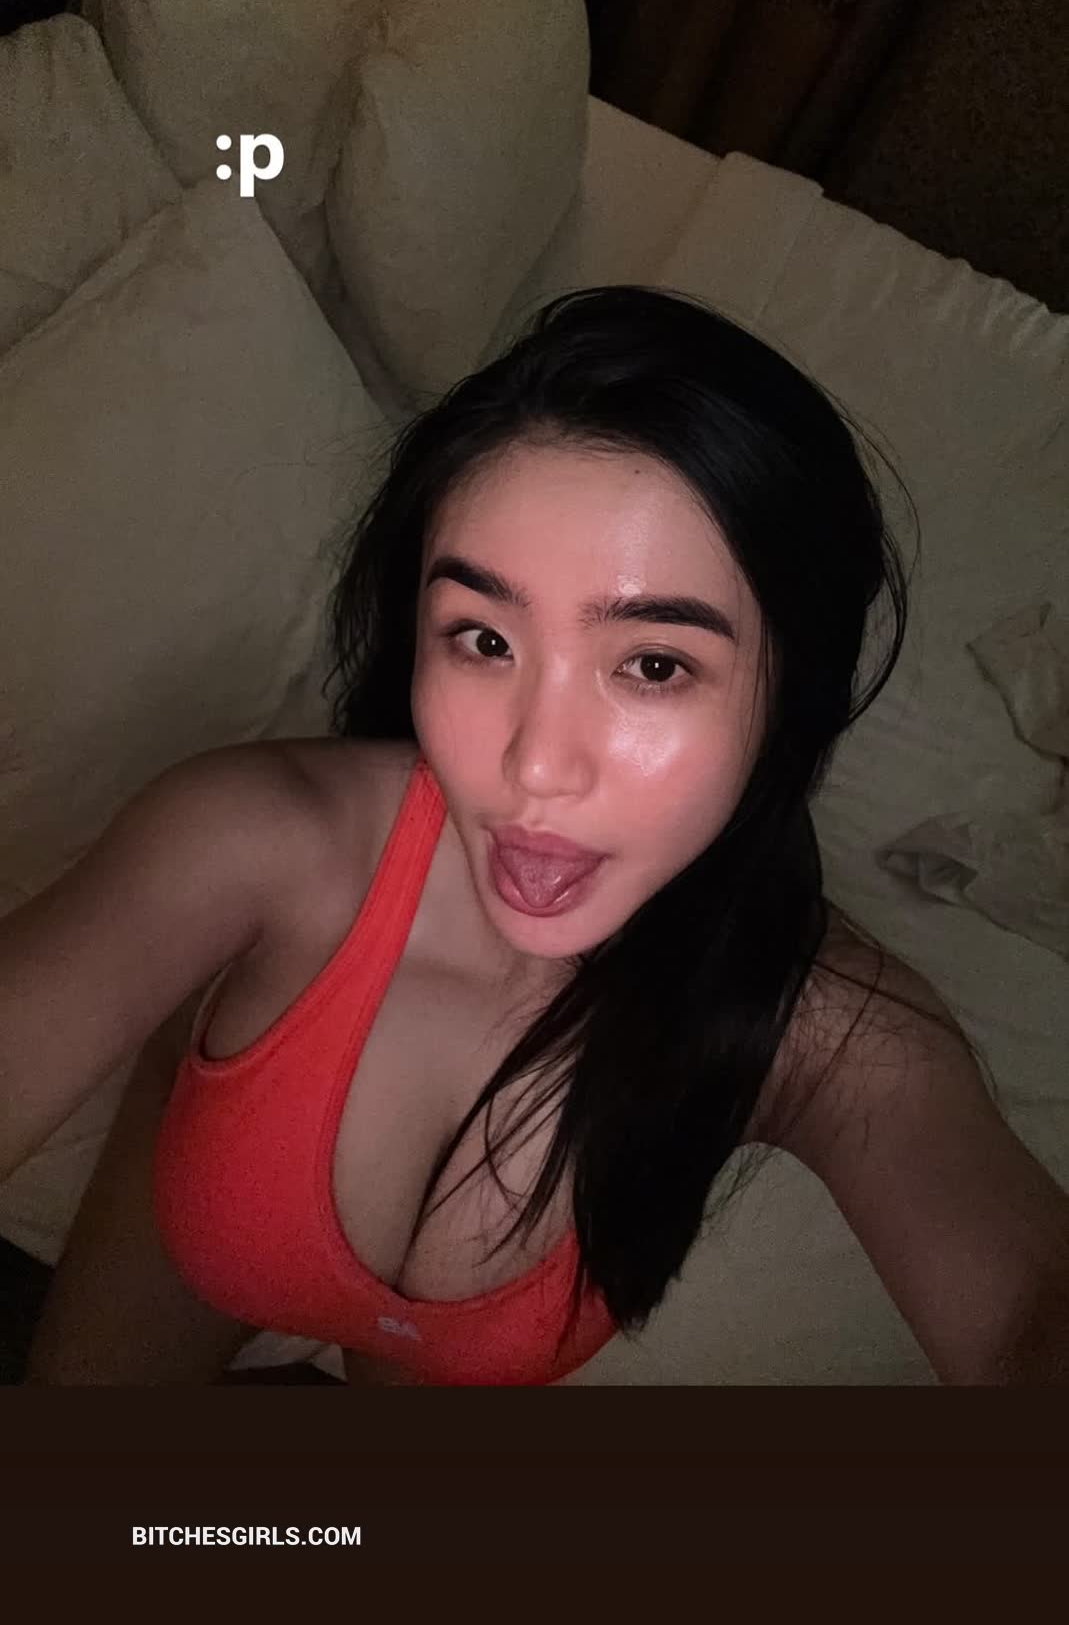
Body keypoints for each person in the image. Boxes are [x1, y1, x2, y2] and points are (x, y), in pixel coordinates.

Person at [4, 287, 1068, 1386]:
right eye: (482, 639)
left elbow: (1026, 1308)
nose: (535, 767)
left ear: (789, 696)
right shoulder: (248, 838)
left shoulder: (836, 1039)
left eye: (652, 664)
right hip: (208, 1225)